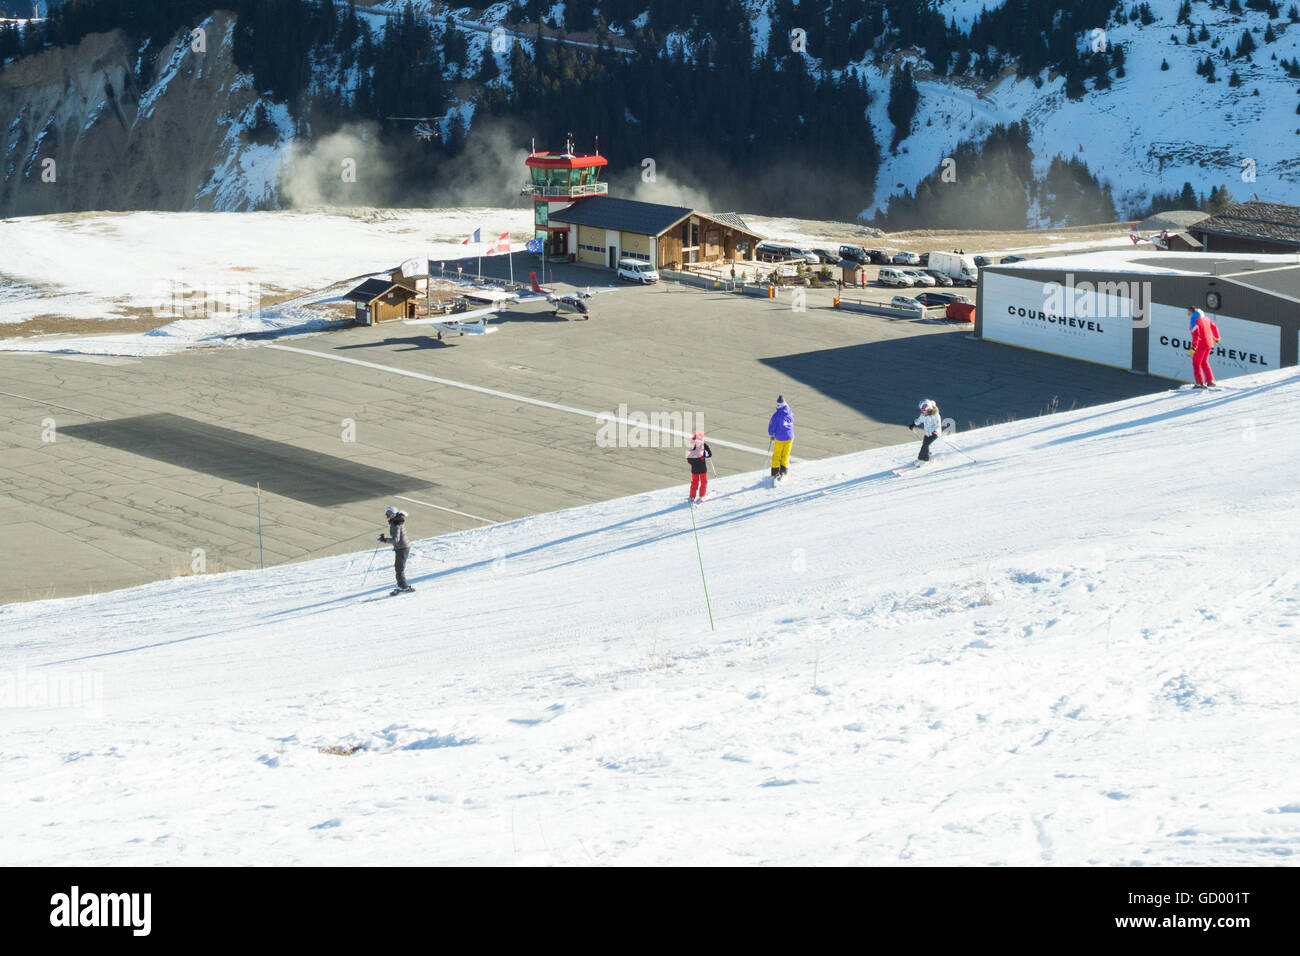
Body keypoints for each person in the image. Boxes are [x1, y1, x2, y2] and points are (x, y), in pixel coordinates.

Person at [378, 506, 413, 593]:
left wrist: (384, 540)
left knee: (399, 569)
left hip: (402, 548)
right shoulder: (397, 521)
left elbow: (395, 540)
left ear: (393, 514)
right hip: (402, 547)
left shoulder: (395, 524)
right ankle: (402, 586)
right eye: (386, 514)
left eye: (389, 514)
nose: (387, 516)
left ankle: (404, 587)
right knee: (398, 568)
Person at [1187, 306, 1221, 388]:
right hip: (1209, 344)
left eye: (1188, 312)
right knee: (1204, 362)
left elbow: (1196, 334)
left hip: (1200, 345)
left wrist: (1194, 347)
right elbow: (1214, 327)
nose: (1187, 314)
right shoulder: (1206, 318)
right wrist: (1216, 338)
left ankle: (1200, 383)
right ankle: (1210, 381)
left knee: (1196, 363)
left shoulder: (1194, 320)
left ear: (1192, 312)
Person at [768, 395, 794, 481]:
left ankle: (775, 472)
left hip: (780, 438)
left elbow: (772, 426)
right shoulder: (790, 412)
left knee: (777, 454)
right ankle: (783, 471)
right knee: (786, 454)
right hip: (790, 437)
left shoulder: (776, 415)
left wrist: (771, 434)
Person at [685, 430, 712, 502]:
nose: (698, 443)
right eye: (697, 442)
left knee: (700, 482)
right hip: (698, 470)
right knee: (698, 482)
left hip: (698, 469)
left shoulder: (695, 450)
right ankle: (694, 496)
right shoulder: (699, 450)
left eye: (699, 442)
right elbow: (689, 460)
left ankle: (698, 495)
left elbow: (709, 454)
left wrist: (706, 447)